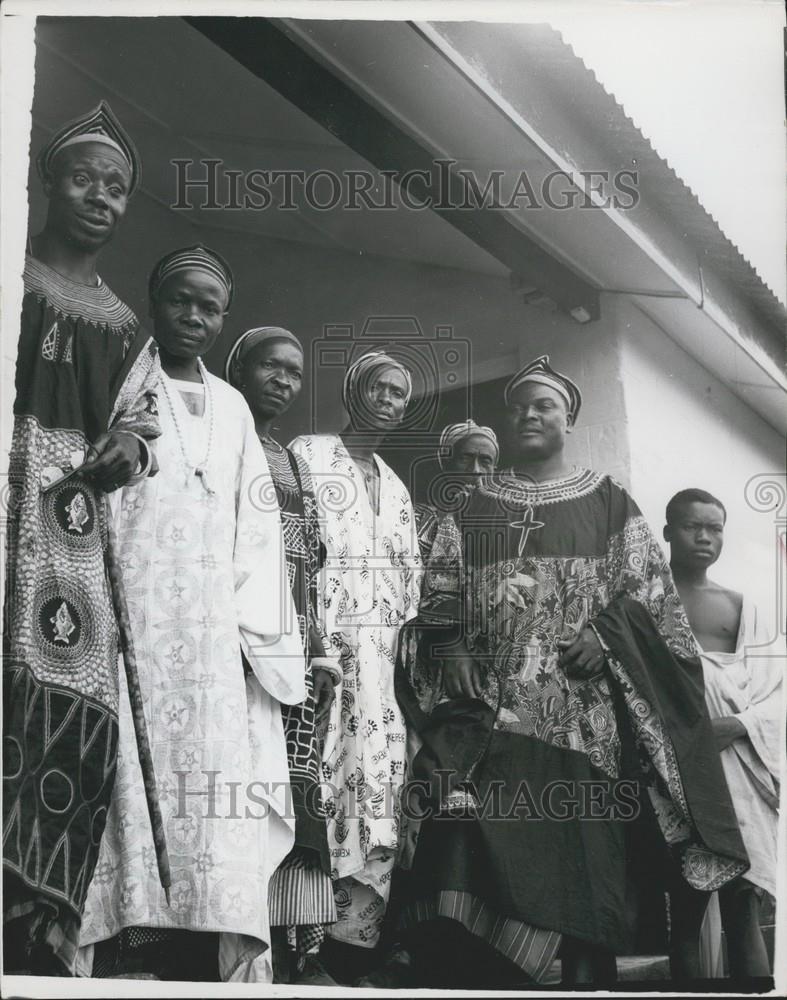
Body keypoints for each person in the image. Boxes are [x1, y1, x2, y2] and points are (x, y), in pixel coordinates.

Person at [394, 355, 749, 989]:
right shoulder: (472, 504)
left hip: (582, 724)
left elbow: (651, 598)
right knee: (461, 844)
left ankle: (585, 982)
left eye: (544, 406)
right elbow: (437, 587)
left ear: (570, 418)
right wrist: (450, 645)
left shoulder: (610, 505)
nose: (529, 415)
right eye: (521, 406)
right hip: (488, 714)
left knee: (581, 858)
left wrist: (605, 632)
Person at [75, 247, 305, 982]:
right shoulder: (123, 380)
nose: (195, 316)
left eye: (210, 306)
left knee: (213, 802)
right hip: (133, 620)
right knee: (132, 795)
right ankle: (128, 945)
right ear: (154, 300)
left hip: (211, 643)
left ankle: (199, 954)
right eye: (182, 300)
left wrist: (255, 640)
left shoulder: (235, 408)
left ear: (223, 317)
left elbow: (259, 529)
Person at [3, 102, 161, 976]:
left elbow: (142, 429)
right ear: (44, 183)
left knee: (71, 701)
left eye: (117, 186)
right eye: (83, 177)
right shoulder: (7, 276)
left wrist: (129, 447)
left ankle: (33, 926)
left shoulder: (128, 325)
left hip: (69, 543)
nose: (100, 196)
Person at [289, 350, 422, 982]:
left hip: (380, 666)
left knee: (376, 786)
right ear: (353, 392)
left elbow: (410, 588)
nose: (392, 400)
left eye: (402, 393)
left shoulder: (396, 488)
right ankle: (299, 941)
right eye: (381, 388)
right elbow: (292, 548)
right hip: (321, 653)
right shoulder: (308, 455)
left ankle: (347, 952)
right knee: (317, 775)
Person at [225, 326, 337, 984]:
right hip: (235, 645)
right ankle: (235, 945)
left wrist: (317, 650)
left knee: (296, 796)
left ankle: (300, 948)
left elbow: (309, 571)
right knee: (237, 795)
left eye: (294, 372)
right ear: (238, 367)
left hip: (290, 650)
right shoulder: (225, 438)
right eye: (269, 364)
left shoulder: (291, 460)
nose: (283, 380)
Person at [665, 489, 780, 981]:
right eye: (694, 526)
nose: (706, 537)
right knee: (687, 911)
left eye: (715, 528)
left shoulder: (742, 607)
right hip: (678, 775)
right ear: (669, 532)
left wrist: (736, 725)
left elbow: (776, 692)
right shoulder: (645, 605)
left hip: (738, 767)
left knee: (742, 904)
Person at [413, 420, 499, 564]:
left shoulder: (507, 525)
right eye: (465, 459)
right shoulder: (415, 519)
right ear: (446, 463)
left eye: (485, 461)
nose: (476, 470)